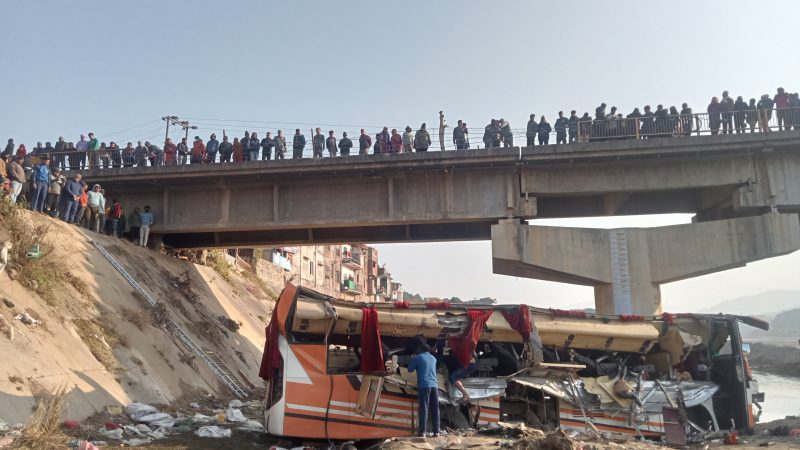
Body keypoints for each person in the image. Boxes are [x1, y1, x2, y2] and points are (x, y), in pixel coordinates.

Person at [407, 336, 440, 437]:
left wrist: (412, 359)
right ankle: (437, 431)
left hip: (424, 386)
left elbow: (409, 369)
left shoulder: (418, 357)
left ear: (420, 350)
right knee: (435, 409)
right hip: (434, 386)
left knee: (424, 408)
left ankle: (422, 432)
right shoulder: (433, 358)